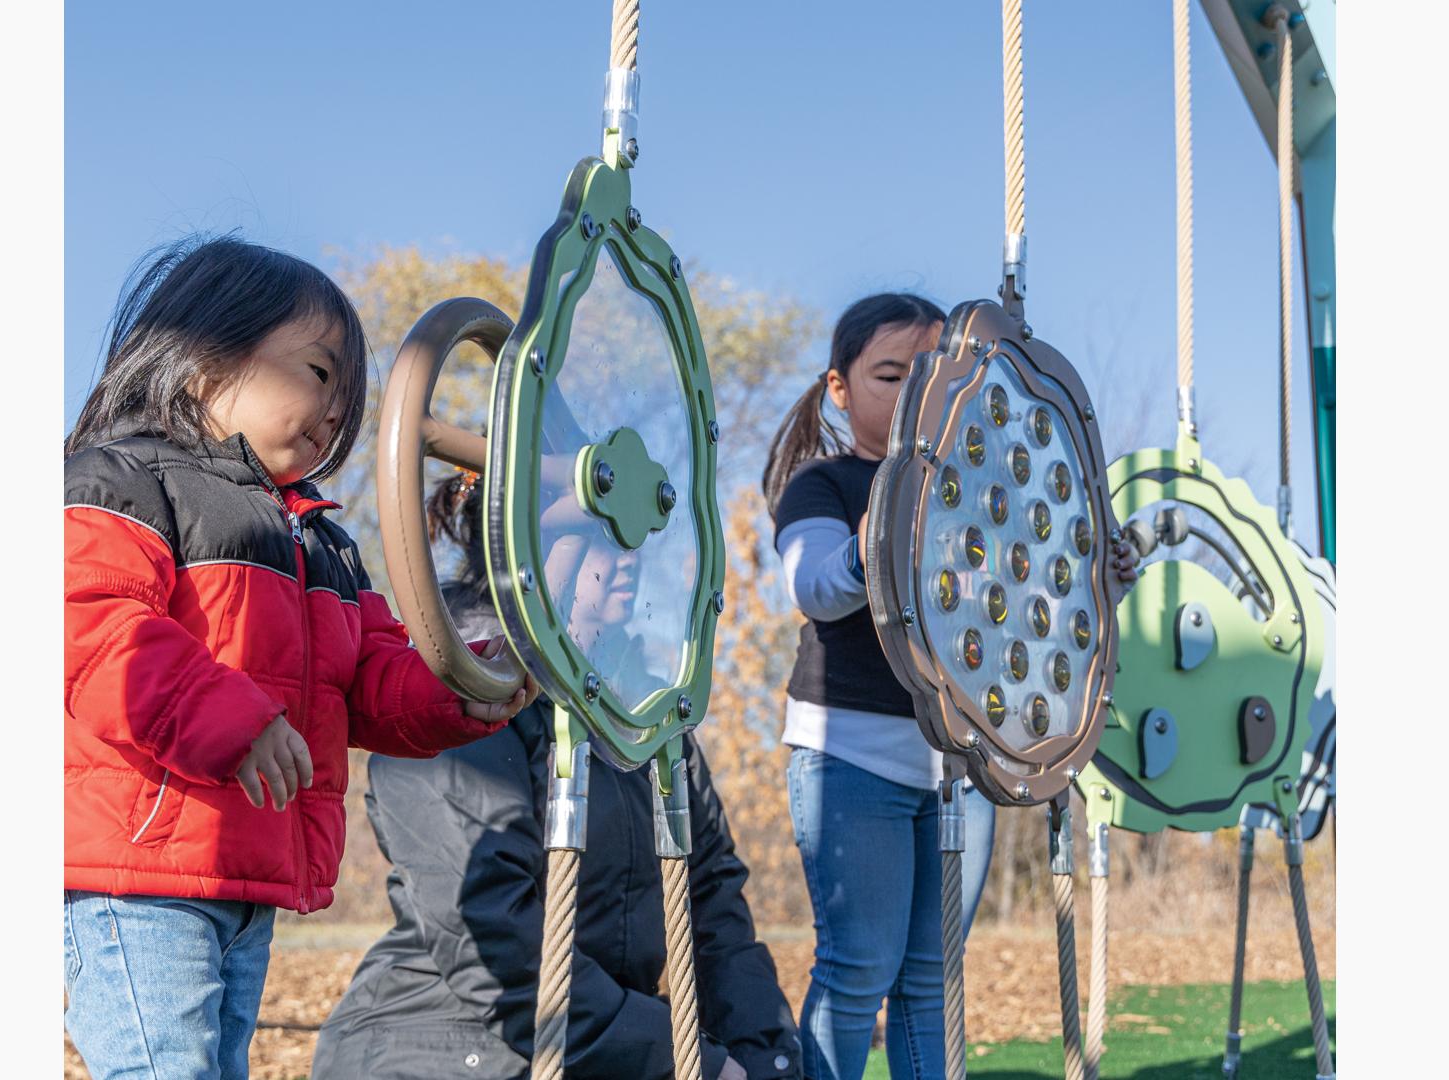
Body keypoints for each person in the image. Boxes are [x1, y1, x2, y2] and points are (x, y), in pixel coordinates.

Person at [62, 236, 531, 1079]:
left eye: (346, 403)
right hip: (137, 872)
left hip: (245, 874)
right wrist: (234, 721)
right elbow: (91, 629)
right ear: (205, 350)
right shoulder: (119, 482)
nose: (331, 415)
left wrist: (469, 680)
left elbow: (378, 677)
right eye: (319, 376)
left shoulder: (320, 544)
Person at [312, 472, 802, 1080]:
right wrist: (683, 1060)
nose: (625, 557)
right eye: (592, 535)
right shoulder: (458, 697)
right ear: (521, 550)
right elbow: (491, 933)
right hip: (444, 1052)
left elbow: (709, 895)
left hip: (593, 1048)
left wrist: (767, 1058)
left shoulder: (644, 711)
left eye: (629, 537)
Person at [763, 293, 1139, 1080]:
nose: (912, 396)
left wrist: (1096, 576)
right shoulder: (826, 484)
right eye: (890, 376)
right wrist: (882, 538)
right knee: (858, 967)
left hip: (960, 759)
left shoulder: (980, 478)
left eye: (930, 376)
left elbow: (1031, 600)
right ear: (839, 388)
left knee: (931, 980)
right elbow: (814, 586)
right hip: (851, 754)